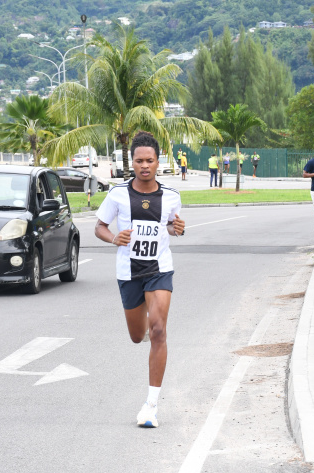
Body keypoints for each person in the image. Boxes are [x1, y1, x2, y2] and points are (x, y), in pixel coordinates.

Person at [94, 131, 185, 428]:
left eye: (149, 160)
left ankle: (151, 406)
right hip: (128, 272)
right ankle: (145, 320)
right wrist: (113, 238)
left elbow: (170, 227)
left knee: (158, 331)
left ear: (158, 162)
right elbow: (99, 227)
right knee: (138, 336)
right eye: (139, 160)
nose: (144, 165)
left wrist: (177, 228)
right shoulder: (118, 194)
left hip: (159, 269)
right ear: (132, 162)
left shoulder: (171, 196)